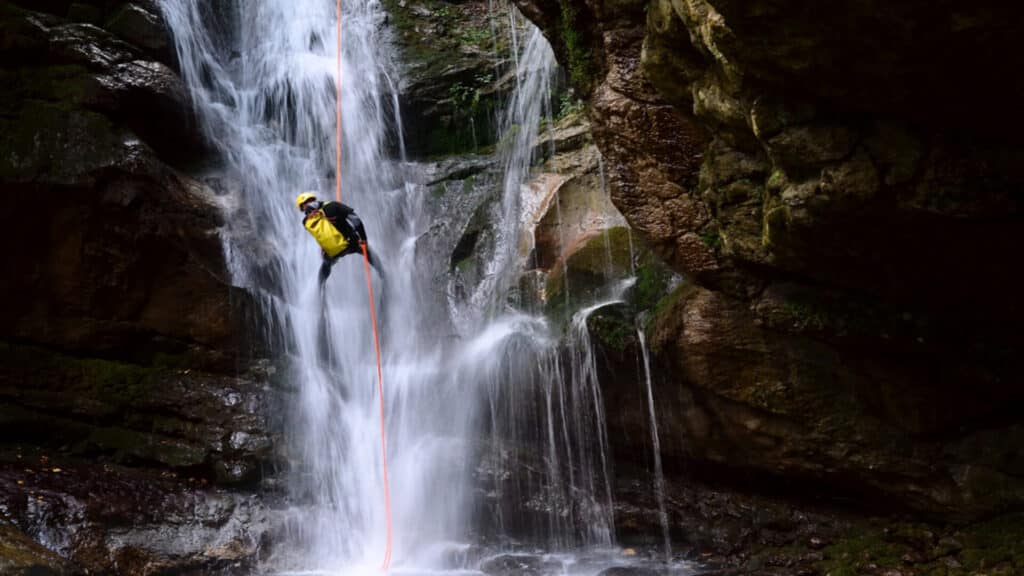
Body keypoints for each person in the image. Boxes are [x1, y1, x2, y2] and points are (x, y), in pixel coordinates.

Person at [295, 192, 380, 284]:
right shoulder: (333, 206)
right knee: (368, 252)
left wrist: (324, 247)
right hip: (351, 243)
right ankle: (383, 275)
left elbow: (321, 234)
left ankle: (320, 289)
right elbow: (356, 220)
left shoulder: (306, 222)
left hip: (332, 251)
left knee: (326, 265)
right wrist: (364, 239)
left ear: (302, 208)